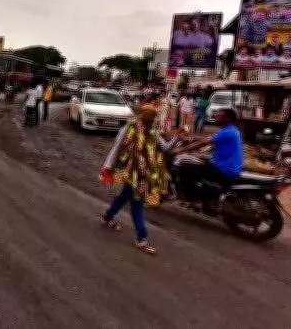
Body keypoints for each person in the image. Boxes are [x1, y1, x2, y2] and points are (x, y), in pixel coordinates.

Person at [99, 105, 179, 254]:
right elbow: (117, 147)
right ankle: (142, 238)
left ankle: (108, 216)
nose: (150, 118)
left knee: (124, 196)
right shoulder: (129, 128)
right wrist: (108, 166)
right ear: (141, 115)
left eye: (153, 115)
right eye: (148, 115)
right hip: (130, 171)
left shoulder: (153, 131)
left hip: (144, 173)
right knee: (137, 203)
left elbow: (165, 148)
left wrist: (177, 137)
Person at [172, 108, 243, 206]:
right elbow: (208, 139)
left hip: (222, 168)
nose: (216, 117)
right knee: (198, 164)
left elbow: (203, 142)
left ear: (228, 119)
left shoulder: (227, 131)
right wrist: (188, 139)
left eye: (220, 116)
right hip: (228, 166)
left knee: (185, 169)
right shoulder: (232, 130)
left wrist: (182, 150)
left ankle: (193, 199)